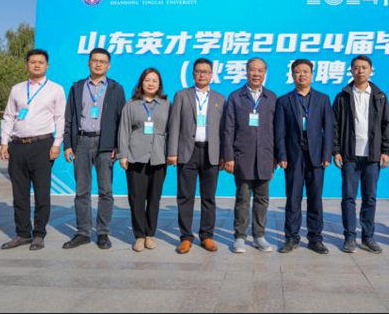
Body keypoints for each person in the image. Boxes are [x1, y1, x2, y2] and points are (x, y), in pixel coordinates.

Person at [0, 49, 66, 251]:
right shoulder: (17, 89)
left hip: (42, 145)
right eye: (32, 62)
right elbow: (9, 116)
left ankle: (38, 234)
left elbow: (60, 118)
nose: (36, 65)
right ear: (27, 64)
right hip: (17, 145)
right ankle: (22, 234)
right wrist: (4, 142)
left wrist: (57, 143)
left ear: (47, 66)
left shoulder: (55, 89)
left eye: (40, 62)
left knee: (41, 192)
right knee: (19, 193)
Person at [62, 48, 126, 250]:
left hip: (105, 144)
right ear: (88, 63)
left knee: (106, 190)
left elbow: (121, 120)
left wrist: (118, 146)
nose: (98, 64)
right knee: (82, 190)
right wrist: (68, 144)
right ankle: (82, 232)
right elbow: (69, 118)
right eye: (95, 60)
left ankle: (103, 232)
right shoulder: (77, 87)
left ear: (109, 65)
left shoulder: (116, 89)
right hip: (81, 142)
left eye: (103, 61)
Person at [333, 55, 389, 254]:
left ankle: (368, 237)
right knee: (348, 198)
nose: (360, 71)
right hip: (349, 155)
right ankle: (350, 237)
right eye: (356, 68)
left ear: (370, 70)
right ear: (351, 71)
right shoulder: (342, 96)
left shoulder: (380, 96)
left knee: (370, 198)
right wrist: (336, 151)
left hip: (372, 156)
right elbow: (334, 127)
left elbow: (387, 126)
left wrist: (386, 151)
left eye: (364, 67)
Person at [275, 59, 333, 254]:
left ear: (312, 74)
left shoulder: (323, 99)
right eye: (298, 72)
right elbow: (280, 131)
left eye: (305, 72)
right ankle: (291, 238)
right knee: (293, 199)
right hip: (294, 156)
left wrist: (327, 154)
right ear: (292, 75)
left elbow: (329, 129)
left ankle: (315, 239)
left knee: (315, 199)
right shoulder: (284, 101)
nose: (302, 75)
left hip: (316, 156)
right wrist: (281, 155)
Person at [167, 58, 226, 255]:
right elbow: (174, 124)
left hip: (211, 152)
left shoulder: (219, 98)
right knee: (185, 196)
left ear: (211, 75)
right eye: (198, 71)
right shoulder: (182, 95)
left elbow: (224, 130)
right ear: (193, 74)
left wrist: (223, 155)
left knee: (209, 197)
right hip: (187, 152)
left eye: (206, 71)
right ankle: (186, 237)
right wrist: (172, 152)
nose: (202, 75)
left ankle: (207, 235)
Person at [224, 58, 277, 254]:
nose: (256, 74)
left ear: (265, 73)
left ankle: (259, 236)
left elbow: (277, 129)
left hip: (265, 156)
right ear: (246, 72)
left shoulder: (271, 98)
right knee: (243, 199)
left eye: (260, 70)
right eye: (253, 70)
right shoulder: (235, 97)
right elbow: (228, 129)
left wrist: (276, 156)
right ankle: (239, 237)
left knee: (262, 199)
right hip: (242, 156)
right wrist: (229, 157)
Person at [119, 68, 171, 252]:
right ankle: (139, 236)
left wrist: (171, 154)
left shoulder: (166, 104)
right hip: (136, 156)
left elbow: (172, 130)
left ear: (159, 84)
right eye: (147, 80)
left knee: (154, 198)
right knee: (136, 198)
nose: (151, 84)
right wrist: (123, 155)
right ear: (141, 83)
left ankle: (150, 234)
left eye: (155, 81)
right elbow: (124, 130)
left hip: (159, 156)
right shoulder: (131, 104)